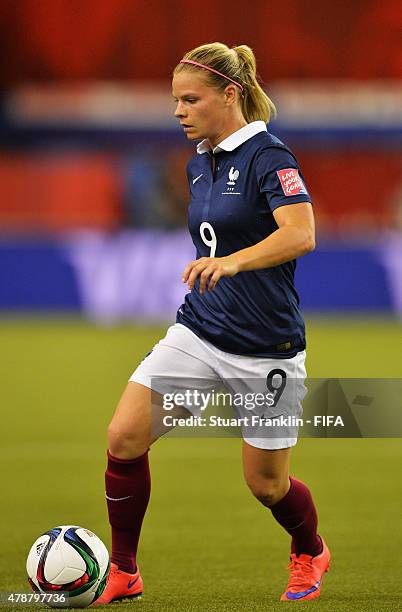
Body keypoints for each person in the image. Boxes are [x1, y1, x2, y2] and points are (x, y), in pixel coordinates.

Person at [95, 42, 330, 605]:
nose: (178, 110)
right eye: (174, 100)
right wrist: (219, 271)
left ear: (230, 94)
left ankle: (310, 549)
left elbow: (301, 234)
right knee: (124, 437)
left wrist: (232, 262)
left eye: (190, 99)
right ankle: (124, 570)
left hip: (266, 349)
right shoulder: (200, 161)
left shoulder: (270, 158)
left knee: (266, 486)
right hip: (199, 333)